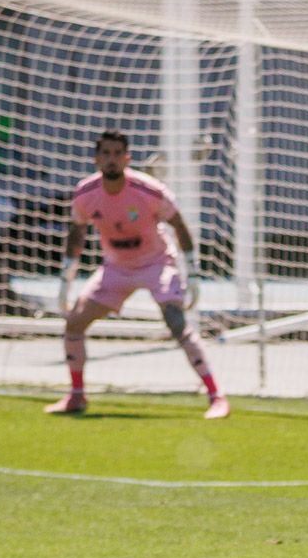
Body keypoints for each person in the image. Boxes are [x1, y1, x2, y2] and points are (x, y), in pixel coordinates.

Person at [44, 130, 228, 420]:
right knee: (75, 323)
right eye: (106, 153)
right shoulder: (85, 194)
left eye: (118, 154)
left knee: (176, 321)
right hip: (116, 267)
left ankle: (216, 396)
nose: (112, 160)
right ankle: (76, 395)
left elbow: (179, 226)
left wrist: (192, 274)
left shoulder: (150, 191)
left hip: (156, 264)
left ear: (128, 158)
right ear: (96, 159)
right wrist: (66, 279)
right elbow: (76, 233)